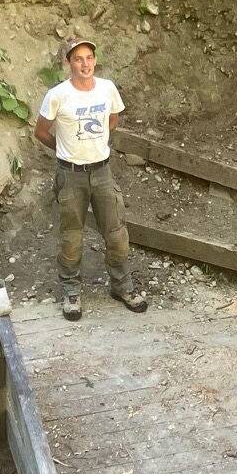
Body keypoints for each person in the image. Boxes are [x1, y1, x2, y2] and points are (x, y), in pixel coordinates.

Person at [32, 37, 147, 320]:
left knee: (117, 232)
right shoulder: (58, 95)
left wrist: (97, 144)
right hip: (70, 175)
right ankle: (71, 291)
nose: (85, 64)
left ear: (95, 60)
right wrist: (63, 150)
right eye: (78, 59)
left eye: (89, 58)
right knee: (72, 236)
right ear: (69, 63)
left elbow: (112, 120)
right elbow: (41, 131)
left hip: (102, 172)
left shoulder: (107, 89)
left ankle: (121, 286)